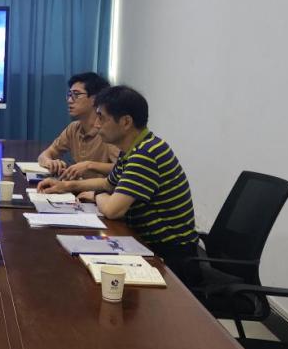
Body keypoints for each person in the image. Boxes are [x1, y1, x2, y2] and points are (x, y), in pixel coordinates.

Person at [37, 86, 198, 279]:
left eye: (102, 118)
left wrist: (97, 195)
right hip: (147, 244)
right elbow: (108, 184)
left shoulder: (145, 155)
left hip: (171, 259)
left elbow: (113, 210)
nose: (96, 124)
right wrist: (66, 186)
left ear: (126, 122)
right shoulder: (134, 149)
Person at [37, 72, 119, 180]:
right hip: (77, 187)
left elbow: (124, 168)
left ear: (95, 99)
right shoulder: (73, 128)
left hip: (100, 190)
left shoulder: (108, 131)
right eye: (69, 95)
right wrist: (50, 162)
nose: (69, 100)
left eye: (76, 95)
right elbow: (44, 155)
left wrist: (89, 165)